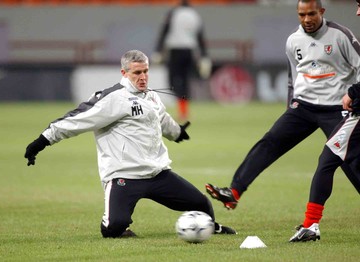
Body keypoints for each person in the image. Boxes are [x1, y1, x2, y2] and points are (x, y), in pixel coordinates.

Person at [24, 50, 236, 238]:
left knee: (201, 204)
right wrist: (41, 142)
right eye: (137, 73)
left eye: (145, 71)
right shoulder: (112, 99)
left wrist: (177, 132)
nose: (143, 77)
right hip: (124, 176)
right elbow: (75, 121)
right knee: (113, 228)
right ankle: (119, 224)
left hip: (157, 174)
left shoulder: (151, 96)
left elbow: (161, 119)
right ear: (124, 73)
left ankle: (211, 228)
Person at [205, 0, 360, 211]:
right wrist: (291, 105)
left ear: (322, 12)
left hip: (336, 109)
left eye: (311, 14)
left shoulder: (340, 35)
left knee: (349, 160)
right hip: (303, 107)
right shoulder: (293, 40)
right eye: (302, 15)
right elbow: (293, 77)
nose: (307, 20)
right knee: (269, 142)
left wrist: (353, 94)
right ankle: (234, 191)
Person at [289, 0, 360, 242]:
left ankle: (310, 225)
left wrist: (353, 92)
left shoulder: (340, 36)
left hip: (356, 115)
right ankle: (310, 225)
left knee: (328, 159)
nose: (358, 11)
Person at [152, 0, 212, 120]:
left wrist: (158, 51)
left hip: (175, 51)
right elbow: (200, 37)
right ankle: (184, 110)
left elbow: (164, 31)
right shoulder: (195, 15)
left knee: (172, 81)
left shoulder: (174, 13)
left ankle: (181, 108)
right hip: (189, 52)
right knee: (185, 82)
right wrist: (204, 56)